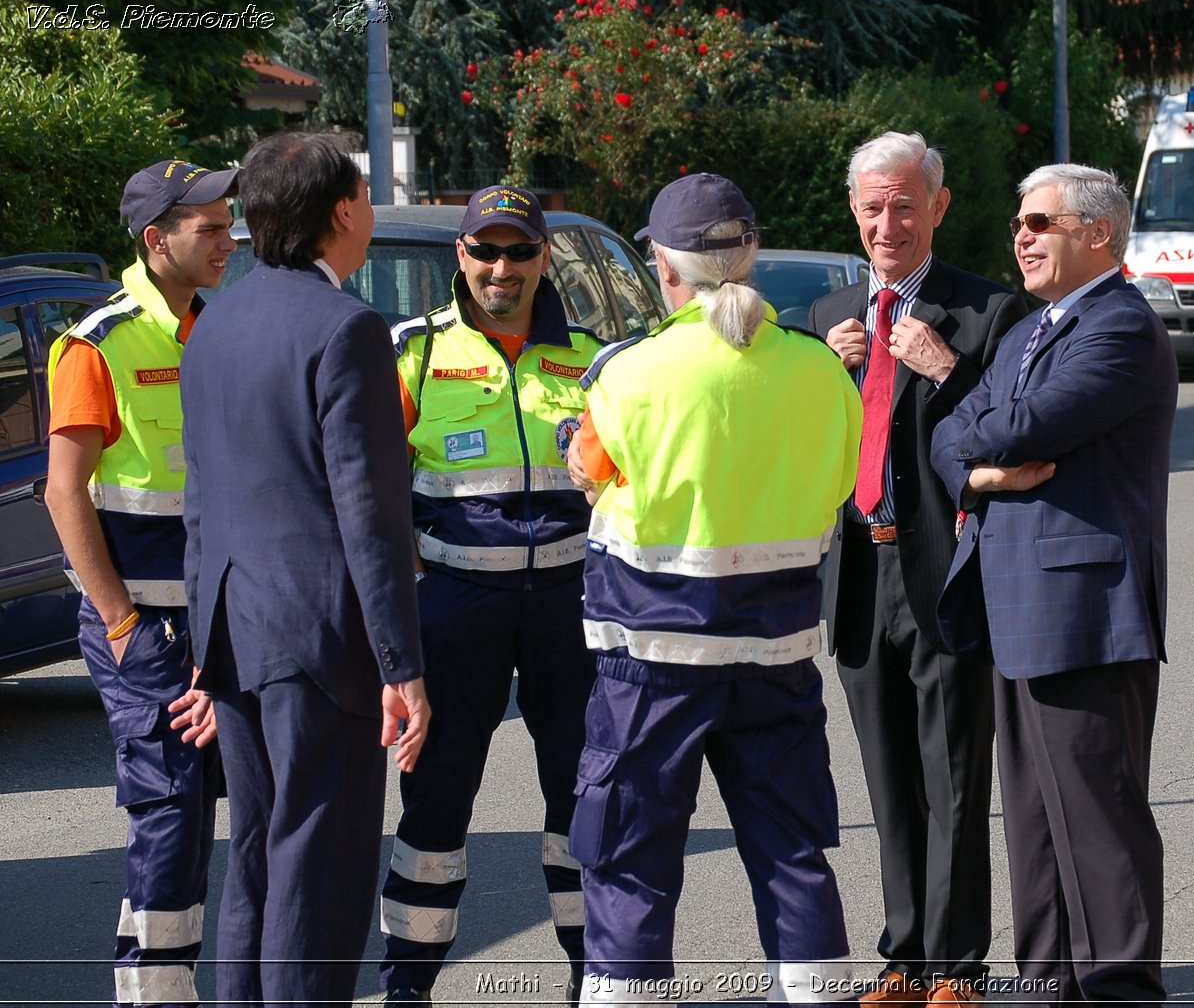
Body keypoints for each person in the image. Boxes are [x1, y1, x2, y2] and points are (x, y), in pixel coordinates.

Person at [565, 173, 863, 1005]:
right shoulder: (816, 369)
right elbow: (840, 485)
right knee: (791, 853)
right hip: (779, 657)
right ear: (752, 255)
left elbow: (589, 472)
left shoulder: (629, 372)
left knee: (630, 864)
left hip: (650, 664)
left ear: (665, 269)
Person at [179, 132, 431, 1007]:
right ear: (341, 213)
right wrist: (402, 665)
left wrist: (203, 659)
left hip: (234, 627)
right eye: (361, 197)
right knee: (317, 868)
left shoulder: (212, 328)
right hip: (321, 639)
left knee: (256, 851)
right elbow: (369, 512)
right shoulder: (348, 327)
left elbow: (200, 503)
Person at [930, 163, 1177, 1005]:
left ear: (1098, 234)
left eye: (1041, 222)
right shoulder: (1028, 330)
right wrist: (985, 478)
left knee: (1098, 820)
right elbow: (954, 434)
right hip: (1013, 602)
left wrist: (975, 445)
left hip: (1085, 610)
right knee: (1035, 823)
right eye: (1018, 224)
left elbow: (1022, 424)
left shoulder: (1120, 327)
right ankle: (1046, 990)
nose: (1022, 237)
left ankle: (1118, 991)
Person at [808, 131, 1029, 1007]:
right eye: (873, 207)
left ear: (938, 207)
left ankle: (957, 968)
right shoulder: (829, 316)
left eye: (905, 204)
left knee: (954, 775)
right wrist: (822, 377)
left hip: (943, 571)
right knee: (889, 780)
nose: (888, 222)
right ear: (855, 215)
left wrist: (943, 369)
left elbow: (1008, 426)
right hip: (858, 571)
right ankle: (902, 959)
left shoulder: (986, 312)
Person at [377, 186, 601, 1007]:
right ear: (460, 257)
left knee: (583, 798)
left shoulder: (592, 354)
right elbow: (369, 487)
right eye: (484, 251)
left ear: (544, 256)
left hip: (570, 608)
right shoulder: (415, 351)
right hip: (453, 607)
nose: (499, 268)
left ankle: (594, 980)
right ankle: (407, 990)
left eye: (517, 251)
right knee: (434, 802)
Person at [45, 159, 237, 1008]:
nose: (228, 239)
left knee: (200, 810)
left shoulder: (219, 328)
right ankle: (153, 996)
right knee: (170, 804)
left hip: (222, 620)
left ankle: (162, 980)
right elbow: (62, 491)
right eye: (210, 228)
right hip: (144, 627)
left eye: (229, 224)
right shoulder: (99, 343)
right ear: (158, 241)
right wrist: (120, 622)